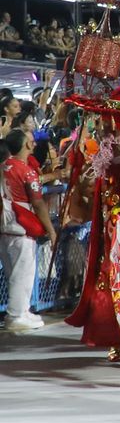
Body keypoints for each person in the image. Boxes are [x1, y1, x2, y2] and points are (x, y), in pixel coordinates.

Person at [2, 129, 56, 331]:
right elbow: (38, 203)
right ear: (26, 145)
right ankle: (15, 315)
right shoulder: (26, 171)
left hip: (5, 227)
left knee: (13, 271)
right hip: (21, 227)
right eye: (31, 141)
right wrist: (50, 230)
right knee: (22, 273)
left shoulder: (3, 167)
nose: (34, 144)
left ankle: (22, 310)